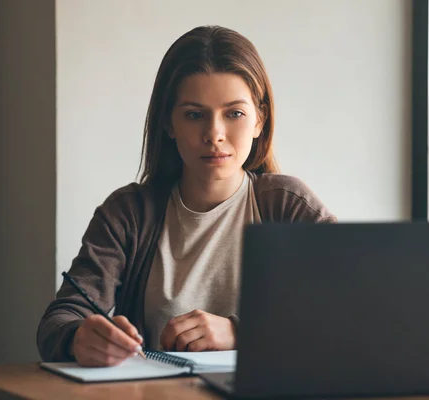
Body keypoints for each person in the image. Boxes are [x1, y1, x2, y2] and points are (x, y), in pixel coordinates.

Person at [37, 25, 336, 367]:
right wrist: (79, 338)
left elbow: (350, 308)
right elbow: (59, 320)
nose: (214, 134)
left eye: (234, 113)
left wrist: (240, 332)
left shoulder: (289, 205)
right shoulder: (128, 214)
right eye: (194, 115)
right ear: (169, 123)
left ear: (259, 120)